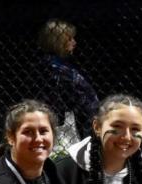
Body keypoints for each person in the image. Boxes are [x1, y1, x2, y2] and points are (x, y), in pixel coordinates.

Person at [35, 19, 99, 154]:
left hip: (76, 121)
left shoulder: (60, 66)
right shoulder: (55, 68)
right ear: (58, 41)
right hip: (66, 122)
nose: (74, 42)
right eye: (69, 38)